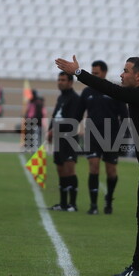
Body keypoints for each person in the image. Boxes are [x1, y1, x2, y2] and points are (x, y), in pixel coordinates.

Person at [55, 54, 139, 276]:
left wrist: (78, 73)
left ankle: (138, 267)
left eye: (126, 71)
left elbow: (110, 90)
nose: (121, 74)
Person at [77, 60, 128, 215]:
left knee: (111, 171)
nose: (93, 76)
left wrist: (124, 137)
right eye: (92, 73)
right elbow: (78, 114)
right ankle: (93, 205)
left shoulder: (114, 91)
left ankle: (109, 199)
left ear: (104, 73)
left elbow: (124, 115)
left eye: (96, 73)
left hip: (112, 136)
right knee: (93, 166)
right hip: (92, 134)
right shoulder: (87, 92)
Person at [48, 71, 82, 211]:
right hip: (58, 139)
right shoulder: (61, 97)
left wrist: (54, 130)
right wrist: (50, 130)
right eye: (59, 79)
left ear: (70, 82)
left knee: (69, 170)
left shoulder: (75, 98)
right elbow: (55, 115)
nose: (60, 82)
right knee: (60, 170)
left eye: (63, 80)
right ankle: (62, 204)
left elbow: (72, 122)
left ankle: (72, 204)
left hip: (69, 138)